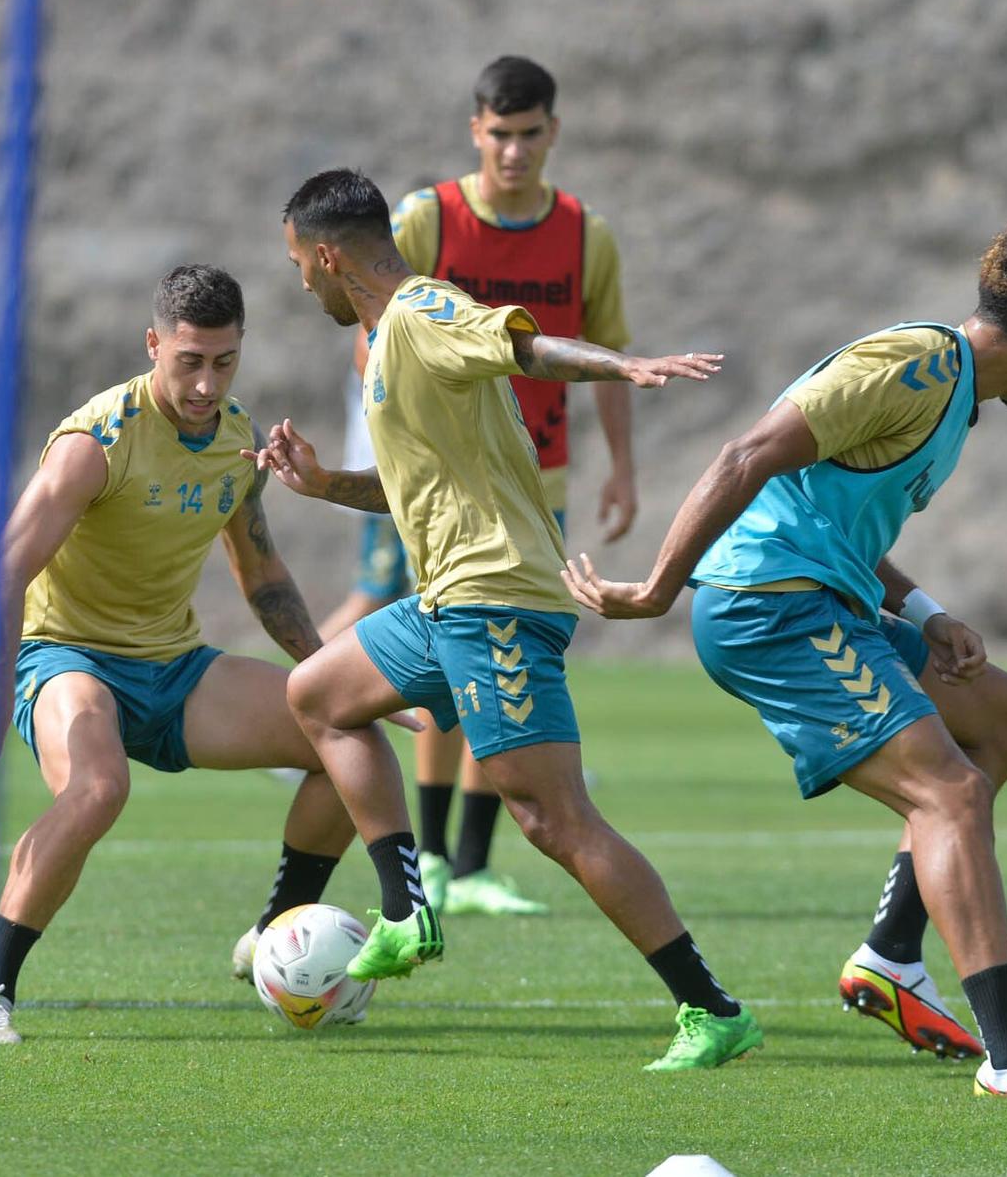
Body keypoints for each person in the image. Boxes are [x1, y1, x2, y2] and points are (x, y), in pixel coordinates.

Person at [563, 219, 1007, 1098]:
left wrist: (926, 609)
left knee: (1001, 717)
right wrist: (651, 589)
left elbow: (829, 517)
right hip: (771, 609)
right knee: (950, 791)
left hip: (827, 597)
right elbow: (746, 455)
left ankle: (892, 955)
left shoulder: (954, 397)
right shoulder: (916, 366)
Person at [254, 168, 763, 1072]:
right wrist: (325, 483)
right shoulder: (389, 339)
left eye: (300, 264)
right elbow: (410, 484)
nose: (301, 283)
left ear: (328, 257)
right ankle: (408, 910)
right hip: (447, 595)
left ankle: (711, 1008)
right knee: (321, 693)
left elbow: (523, 346)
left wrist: (621, 365)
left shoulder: (420, 312)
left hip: (496, 597)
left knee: (553, 818)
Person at [0, 264, 371, 1045]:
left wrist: (335, 676)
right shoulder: (95, 442)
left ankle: (268, 937)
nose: (206, 383)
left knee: (348, 739)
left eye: (224, 361)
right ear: (153, 345)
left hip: (172, 665)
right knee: (100, 788)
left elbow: (265, 578)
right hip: (66, 659)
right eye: (189, 361)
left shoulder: (236, 438)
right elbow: (3, 574)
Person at [383, 56, 639, 917]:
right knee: (449, 659)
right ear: (475, 131)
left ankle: (475, 860)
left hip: (542, 482)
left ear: (552, 132)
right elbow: (375, 333)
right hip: (444, 483)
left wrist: (624, 470)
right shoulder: (429, 219)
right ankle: (431, 856)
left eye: (531, 134)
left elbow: (604, 354)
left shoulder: (582, 234)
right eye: (500, 134)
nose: (515, 150)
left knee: (515, 663)